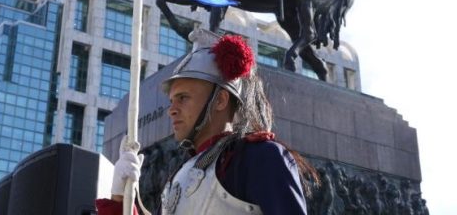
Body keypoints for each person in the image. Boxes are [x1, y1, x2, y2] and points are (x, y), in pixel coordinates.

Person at [95, 29, 315, 214]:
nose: (172, 110)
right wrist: (121, 201)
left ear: (220, 100)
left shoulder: (260, 157)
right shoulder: (180, 174)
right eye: (172, 100)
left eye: (183, 98)